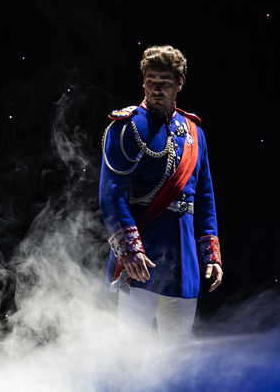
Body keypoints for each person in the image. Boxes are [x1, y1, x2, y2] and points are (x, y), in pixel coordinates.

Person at [99, 45, 222, 344]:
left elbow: (204, 197)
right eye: (150, 81)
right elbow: (111, 195)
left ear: (179, 85)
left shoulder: (194, 132)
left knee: (178, 355)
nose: (156, 89)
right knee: (131, 351)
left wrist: (211, 255)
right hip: (141, 260)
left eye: (165, 82)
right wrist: (130, 252)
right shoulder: (124, 127)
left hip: (185, 264)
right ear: (143, 82)